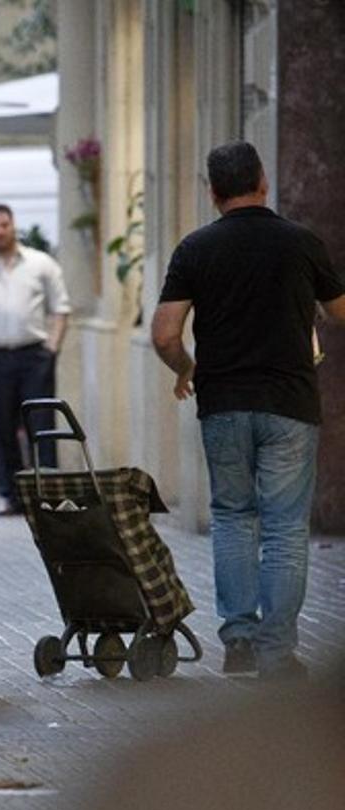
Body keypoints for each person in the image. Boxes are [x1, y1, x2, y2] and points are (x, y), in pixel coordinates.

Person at [151, 140, 345, 680]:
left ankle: (238, 640)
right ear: (263, 182)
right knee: (284, 528)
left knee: (234, 519)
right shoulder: (301, 242)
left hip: (224, 404)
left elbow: (165, 334)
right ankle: (276, 653)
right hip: (289, 405)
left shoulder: (195, 248)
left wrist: (185, 369)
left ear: (213, 192)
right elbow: (339, 309)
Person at [0, 204, 71, 516]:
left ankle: (49, 495)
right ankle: (13, 497)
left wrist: (52, 348)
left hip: (34, 355)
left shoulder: (41, 263)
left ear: (13, 225)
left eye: (4, 225)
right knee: (1, 427)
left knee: (42, 425)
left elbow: (60, 308)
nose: (0, 231)